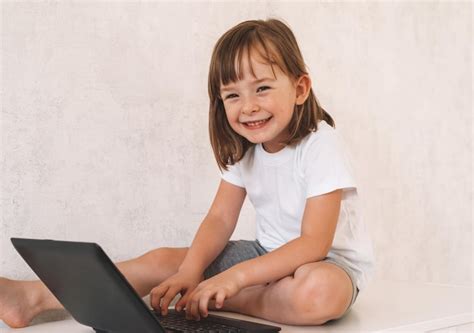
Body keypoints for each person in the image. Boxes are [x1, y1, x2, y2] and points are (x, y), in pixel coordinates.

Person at [0, 18, 374, 328]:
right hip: (265, 255)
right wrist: (191, 270)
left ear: (300, 88)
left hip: (326, 266)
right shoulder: (246, 149)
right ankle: (32, 298)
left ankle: (218, 297)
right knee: (166, 260)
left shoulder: (320, 145)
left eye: (262, 88)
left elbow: (313, 245)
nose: (249, 107)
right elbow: (219, 218)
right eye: (232, 95)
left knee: (317, 293)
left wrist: (233, 278)